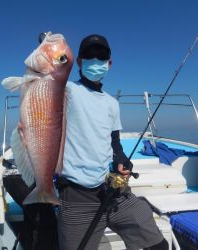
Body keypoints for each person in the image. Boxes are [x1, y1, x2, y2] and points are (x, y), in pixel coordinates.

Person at [56, 34, 169, 250]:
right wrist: (54, 53)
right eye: (89, 56)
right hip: (77, 196)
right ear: (79, 62)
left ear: (109, 63)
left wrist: (122, 159)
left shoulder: (111, 103)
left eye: (101, 56)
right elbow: (47, 80)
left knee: (155, 241)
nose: (96, 60)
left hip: (114, 192)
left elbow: (114, 141)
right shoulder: (66, 91)